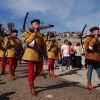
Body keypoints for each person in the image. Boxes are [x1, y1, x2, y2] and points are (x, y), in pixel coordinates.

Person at [22, 19, 47, 96]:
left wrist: (46, 55)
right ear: (32, 25)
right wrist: (34, 33)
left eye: (38, 24)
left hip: (39, 55)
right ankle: (32, 86)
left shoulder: (41, 35)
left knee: (39, 70)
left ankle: (30, 80)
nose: (38, 25)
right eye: (36, 24)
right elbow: (27, 42)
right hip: (30, 54)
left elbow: (43, 46)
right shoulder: (27, 33)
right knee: (31, 71)